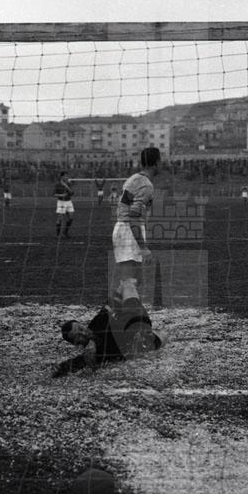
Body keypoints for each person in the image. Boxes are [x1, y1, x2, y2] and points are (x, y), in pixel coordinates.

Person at [52, 300, 161, 378]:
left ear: (83, 324)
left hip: (141, 336)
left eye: (81, 328)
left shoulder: (99, 322)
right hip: (137, 352)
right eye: (78, 336)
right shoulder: (91, 356)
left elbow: (112, 301)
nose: (84, 333)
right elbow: (73, 364)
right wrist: (59, 368)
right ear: (76, 343)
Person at [112, 147, 160, 308]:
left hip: (126, 229)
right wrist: (143, 247)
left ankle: (113, 310)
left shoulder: (134, 178)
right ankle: (124, 316)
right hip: (128, 230)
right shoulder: (146, 185)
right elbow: (133, 215)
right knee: (129, 282)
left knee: (134, 280)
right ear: (156, 163)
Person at [54, 171, 74, 238]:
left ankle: (65, 232)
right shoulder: (57, 184)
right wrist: (61, 195)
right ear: (62, 177)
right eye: (65, 176)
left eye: (67, 176)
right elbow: (54, 194)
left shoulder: (68, 184)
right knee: (60, 218)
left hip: (69, 202)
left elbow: (72, 193)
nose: (67, 177)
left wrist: (66, 186)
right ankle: (58, 235)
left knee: (71, 218)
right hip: (61, 202)